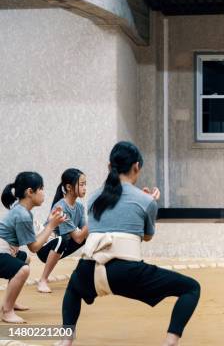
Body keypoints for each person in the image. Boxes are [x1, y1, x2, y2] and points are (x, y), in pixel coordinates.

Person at [59, 142, 200, 346]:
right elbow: (146, 236)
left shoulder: (94, 197)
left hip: (88, 268)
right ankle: (170, 342)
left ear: (110, 167)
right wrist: (150, 201)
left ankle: (66, 340)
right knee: (191, 288)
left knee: (73, 288)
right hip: (126, 272)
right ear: (136, 167)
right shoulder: (146, 201)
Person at [0, 171, 66, 323]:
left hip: (6, 250)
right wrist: (51, 225)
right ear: (30, 192)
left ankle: (10, 301)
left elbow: (33, 240)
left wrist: (49, 223)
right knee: (23, 269)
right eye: (41, 188)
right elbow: (35, 247)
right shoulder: (22, 214)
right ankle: (7, 311)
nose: (44, 192)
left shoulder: (22, 210)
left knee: (24, 259)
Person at [37, 168, 89, 293]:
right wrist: (95, 219)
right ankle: (43, 280)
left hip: (60, 245)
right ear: (69, 187)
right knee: (63, 239)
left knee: (90, 237)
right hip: (44, 249)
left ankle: (86, 275)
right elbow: (77, 237)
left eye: (85, 184)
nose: (85, 188)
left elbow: (84, 233)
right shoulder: (61, 207)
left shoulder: (80, 207)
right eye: (81, 184)